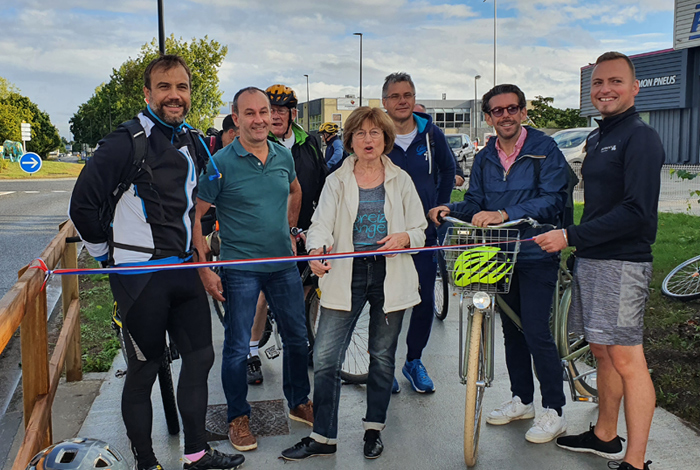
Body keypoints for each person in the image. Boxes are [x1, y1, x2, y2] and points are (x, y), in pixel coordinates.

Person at [69, 55, 244, 470]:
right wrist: (105, 257)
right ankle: (146, 462)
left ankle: (196, 453)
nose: (174, 95)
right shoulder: (126, 140)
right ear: (147, 93)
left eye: (181, 87)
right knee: (144, 371)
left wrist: (203, 258)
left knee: (200, 359)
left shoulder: (190, 139)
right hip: (139, 277)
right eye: (164, 87)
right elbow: (83, 206)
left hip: (183, 271)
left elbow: (200, 206)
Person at [535, 52, 664, 470]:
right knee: (602, 353)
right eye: (597, 83)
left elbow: (637, 212)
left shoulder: (639, 138)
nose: (605, 89)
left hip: (623, 265)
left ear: (634, 87)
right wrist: (574, 239)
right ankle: (605, 435)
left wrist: (570, 237)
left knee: (627, 359)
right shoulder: (600, 136)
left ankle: (637, 462)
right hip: (593, 259)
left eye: (615, 81)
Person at [280, 106, 427, 461]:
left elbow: (421, 231)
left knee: (381, 356)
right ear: (349, 140)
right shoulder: (336, 181)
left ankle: (373, 429)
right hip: (346, 273)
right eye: (360, 133)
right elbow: (320, 224)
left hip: (390, 275)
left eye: (375, 133)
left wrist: (404, 238)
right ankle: (323, 437)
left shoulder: (401, 179)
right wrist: (315, 249)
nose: (368, 140)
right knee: (327, 357)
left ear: (385, 139)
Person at [428, 83, 570, 444]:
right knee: (511, 331)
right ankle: (522, 399)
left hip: (537, 251)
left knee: (536, 330)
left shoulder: (544, 149)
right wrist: (452, 209)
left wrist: (505, 212)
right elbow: (477, 200)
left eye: (512, 108)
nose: (505, 115)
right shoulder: (486, 155)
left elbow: (552, 199)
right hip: (500, 254)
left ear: (522, 112)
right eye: (497, 110)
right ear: (488, 117)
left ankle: (554, 409)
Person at [193, 86, 313, 453]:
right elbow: (195, 217)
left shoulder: (282, 155)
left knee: (296, 338)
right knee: (236, 348)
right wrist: (204, 268)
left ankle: (298, 402)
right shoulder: (220, 164)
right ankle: (237, 417)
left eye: (264, 112)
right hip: (241, 269)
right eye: (250, 113)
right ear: (236, 118)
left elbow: (295, 192)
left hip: (282, 265)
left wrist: (292, 231)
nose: (260, 119)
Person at [383, 72, 456, 394]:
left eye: (407, 95)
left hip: (424, 232)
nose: (402, 101)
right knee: (384, 300)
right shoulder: (378, 133)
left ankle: (413, 360)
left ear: (414, 98)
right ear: (385, 102)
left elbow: (449, 169)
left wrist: (440, 205)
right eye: (396, 96)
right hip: (384, 233)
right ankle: (383, 365)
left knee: (424, 298)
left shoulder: (431, 134)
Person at [414, 103, 465, 188]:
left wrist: (453, 177)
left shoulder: (435, 137)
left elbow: (457, 174)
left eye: (421, 117)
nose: (417, 120)